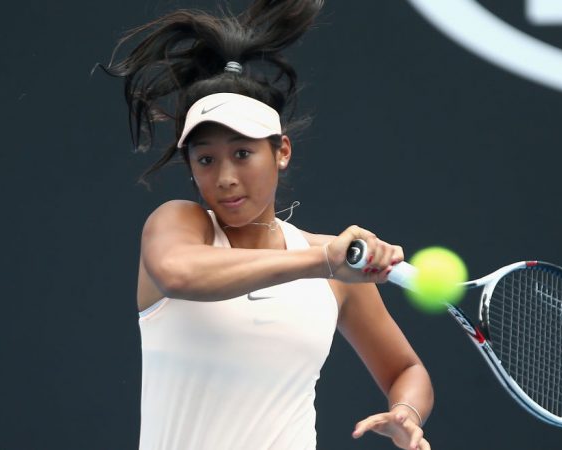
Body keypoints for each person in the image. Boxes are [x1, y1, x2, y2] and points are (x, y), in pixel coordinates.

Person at [105, 1, 433, 449]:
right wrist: (321, 261)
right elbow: (179, 273)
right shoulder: (177, 224)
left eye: (242, 153)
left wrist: (405, 414)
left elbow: (405, 370)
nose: (225, 177)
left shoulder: (335, 268)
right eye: (206, 159)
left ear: (281, 152)